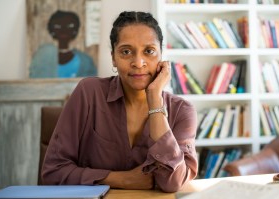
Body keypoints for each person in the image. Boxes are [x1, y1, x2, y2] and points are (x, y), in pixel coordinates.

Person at [41, 11, 198, 193]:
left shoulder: (182, 111)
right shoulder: (89, 93)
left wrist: (155, 100)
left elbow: (173, 182)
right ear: (114, 58)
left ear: (161, 56)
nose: (138, 63)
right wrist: (122, 179)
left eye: (149, 51)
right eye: (126, 52)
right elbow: (53, 172)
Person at [29, 10, 97, 78]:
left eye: (70, 26)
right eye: (58, 26)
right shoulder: (44, 55)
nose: (64, 30)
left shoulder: (85, 60)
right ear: (51, 30)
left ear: (75, 30)